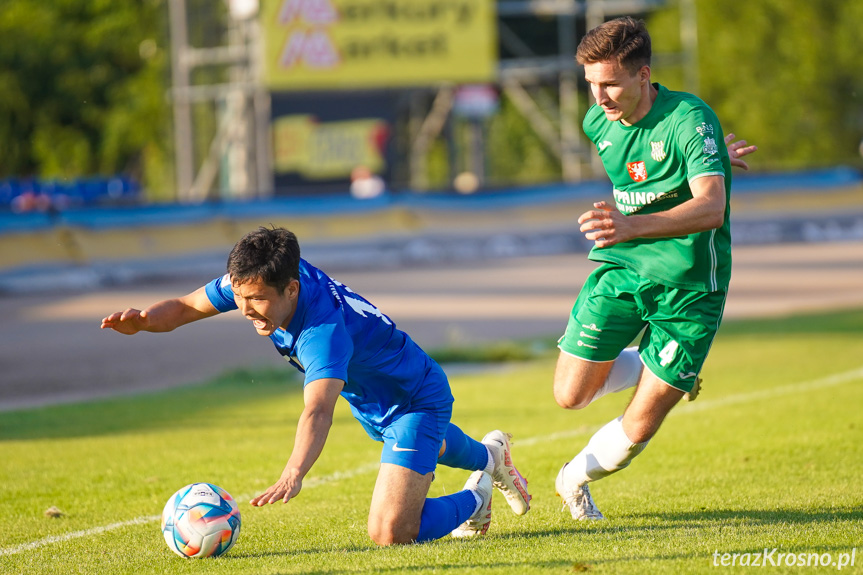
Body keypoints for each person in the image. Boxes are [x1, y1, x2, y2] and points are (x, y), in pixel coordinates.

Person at [100, 226, 530, 545]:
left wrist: (294, 472)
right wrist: (143, 322)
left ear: (291, 288)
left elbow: (317, 411)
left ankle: (476, 499)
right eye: (240, 298)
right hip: (375, 398)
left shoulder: (322, 332)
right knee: (425, 445)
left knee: (390, 531)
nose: (246, 310)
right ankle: (491, 456)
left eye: (257, 301)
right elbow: (187, 306)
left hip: (415, 398)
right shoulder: (259, 279)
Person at [552, 17, 758, 520]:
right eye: (590, 85)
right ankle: (659, 368)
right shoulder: (597, 122)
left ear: (644, 75)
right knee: (569, 396)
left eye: (610, 84)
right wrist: (706, 162)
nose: (598, 97)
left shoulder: (691, 118)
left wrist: (704, 161)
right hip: (625, 271)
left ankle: (572, 478)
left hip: (691, 286)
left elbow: (711, 208)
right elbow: (659, 171)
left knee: (641, 426)